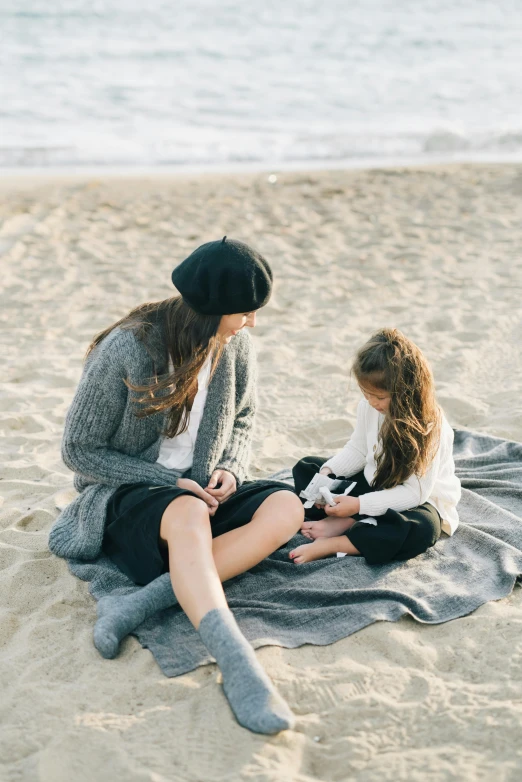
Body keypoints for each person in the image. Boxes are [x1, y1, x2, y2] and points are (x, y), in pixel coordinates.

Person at [49, 237, 304, 735]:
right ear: (211, 310)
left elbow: (245, 417)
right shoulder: (129, 349)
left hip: (203, 491)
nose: (252, 322)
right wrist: (170, 481)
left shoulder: (236, 347)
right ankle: (236, 661)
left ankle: (141, 602)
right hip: (131, 494)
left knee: (287, 506)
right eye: (245, 312)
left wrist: (230, 464)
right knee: (187, 514)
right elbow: (79, 451)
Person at [289, 328, 461, 565]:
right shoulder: (369, 406)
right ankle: (353, 520)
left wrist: (358, 505)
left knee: (423, 528)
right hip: (375, 483)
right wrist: (326, 475)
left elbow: (414, 493)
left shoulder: (431, 427)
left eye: (379, 397)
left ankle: (341, 541)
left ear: (405, 393)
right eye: (366, 394)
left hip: (416, 501)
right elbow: (358, 450)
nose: (371, 402)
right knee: (307, 467)